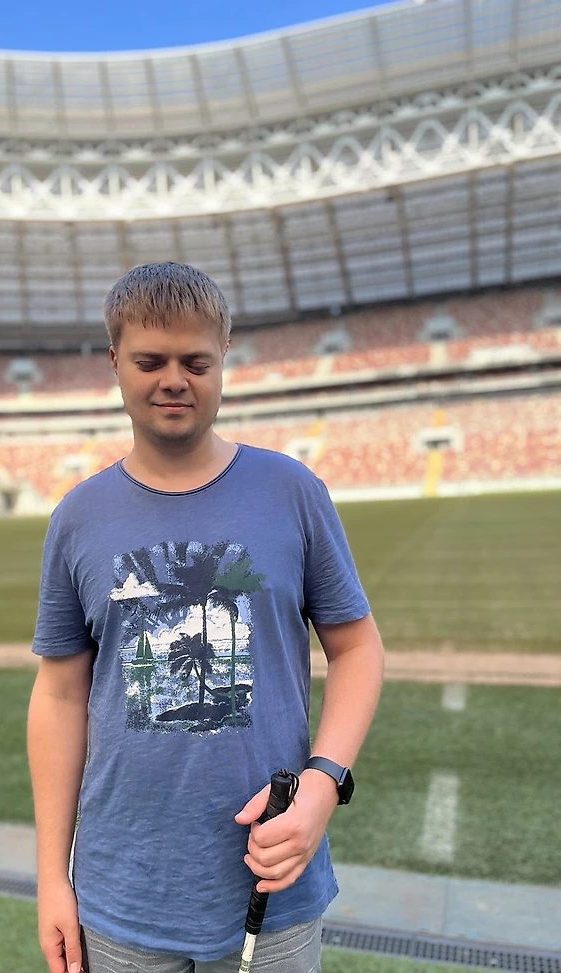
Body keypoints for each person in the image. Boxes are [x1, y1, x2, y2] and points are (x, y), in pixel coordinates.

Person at [27, 262, 384, 973]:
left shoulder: (292, 491)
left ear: (224, 359)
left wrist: (323, 783)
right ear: (114, 362)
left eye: (195, 362)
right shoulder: (78, 517)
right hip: (119, 891)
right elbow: (60, 694)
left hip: (270, 888)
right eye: (150, 362)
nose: (174, 380)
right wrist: (50, 878)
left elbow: (357, 648)